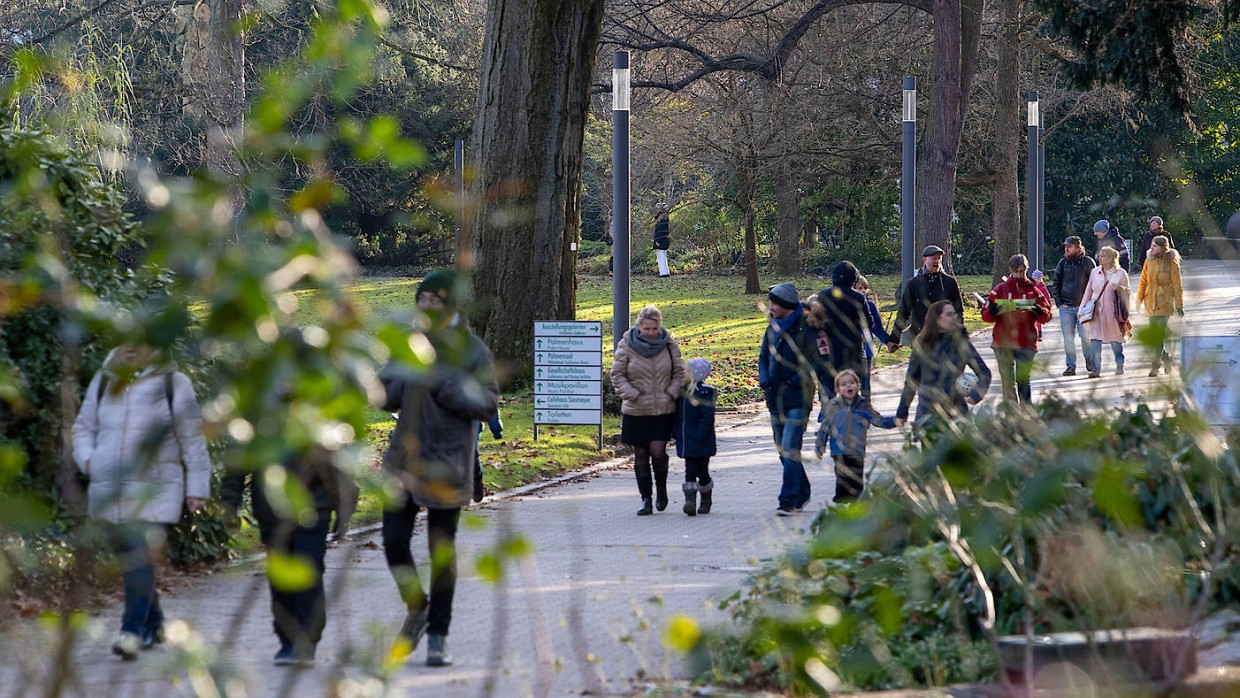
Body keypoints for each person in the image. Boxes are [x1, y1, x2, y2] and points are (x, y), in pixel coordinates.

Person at [381, 269, 500, 667]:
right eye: (422, 301)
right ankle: (417, 609)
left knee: (441, 552)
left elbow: (486, 404)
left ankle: (438, 636)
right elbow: (386, 397)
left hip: (448, 460)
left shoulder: (472, 350)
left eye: (434, 301)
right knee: (394, 541)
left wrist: (442, 384)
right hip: (405, 460)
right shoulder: (410, 344)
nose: (426, 307)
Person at [71, 343, 211, 661]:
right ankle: (155, 623)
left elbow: (191, 436)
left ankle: (130, 632)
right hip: (109, 487)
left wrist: (197, 486)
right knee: (131, 560)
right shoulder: (104, 379)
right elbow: (83, 427)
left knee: (138, 555)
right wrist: (89, 461)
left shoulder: (173, 383)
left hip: (156, 487)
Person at [221, 444, 342, 667]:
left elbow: (340, 456)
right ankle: (288, 639)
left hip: (315, 505)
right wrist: (230, 501)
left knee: (309, 571)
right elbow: (239, 458)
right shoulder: (258, 410)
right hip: (271, 508)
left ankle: (306, 639)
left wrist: (346, 502)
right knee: (280, 578)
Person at [759, 282, 830, 516]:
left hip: (798, 399)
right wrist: (765, 379)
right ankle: (802, 491)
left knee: (790, 449)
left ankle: (787, 500)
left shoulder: (809, 328)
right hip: (774, 398)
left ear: (786, 305)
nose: (770, 307)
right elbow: (763, 357)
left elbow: (821, 362)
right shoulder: (773, 328)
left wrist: (799, 378)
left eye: (774, 303)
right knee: (783, 451)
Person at [611, 304, 686, 516]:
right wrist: (630, 393)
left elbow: (679, 371)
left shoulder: (668, 344)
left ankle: (661, 490)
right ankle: (646, 499)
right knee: (641, 453)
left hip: (663, 408)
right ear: (639, 327)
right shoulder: (626, 344)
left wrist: (672, 391)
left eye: (654, 329)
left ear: (659, 327)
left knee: (658, 452)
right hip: (636, 409)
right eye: (647, 329)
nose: (651, 333)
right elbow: (617, 374)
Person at [895, 301, 992, 425]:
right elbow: (911, 380)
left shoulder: (961, 342)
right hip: (927, 412)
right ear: (936, 318)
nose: (953, 318)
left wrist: (975, 395)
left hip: (956, 411)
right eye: (949, 314)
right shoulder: (922, 344)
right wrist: (902, 412)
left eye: (954, 314)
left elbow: (984, 372)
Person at [814, 369, 897, 503]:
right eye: (844, 384)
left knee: (857, 480)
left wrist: (895, 421)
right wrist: (819, 447)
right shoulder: (833, 406)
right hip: (839, 451)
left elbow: (878, 420)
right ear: (838, 389)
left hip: (857, 450)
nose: (848, 386)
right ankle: (841, 505)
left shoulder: (863, 405)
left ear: (858, 385)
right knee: (842, 480)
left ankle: (857, 506)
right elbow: (824, 428)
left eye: (852, 383)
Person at [982, 255, 1052, 405]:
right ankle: (1011, 414)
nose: (1019, 275)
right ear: (1011, 270)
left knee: (1023, 381)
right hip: (1003, 342)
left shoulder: (1034, 290)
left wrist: (1040, 311)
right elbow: (985, 315)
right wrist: (992, 312)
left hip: (1026, 342)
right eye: (1016, 271)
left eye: (1022, 271)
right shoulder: (999, 290)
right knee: (1007, 382)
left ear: (1027, 270)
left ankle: (1027, 414)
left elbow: (1047, 315)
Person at [888, 245, 966, 353]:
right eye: (933, 258)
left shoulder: (949, 282)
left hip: (945, 338)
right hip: (920, 338)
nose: (937, 261)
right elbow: (903, 312)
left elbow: (959, 311)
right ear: (925, 259)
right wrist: (894, 338)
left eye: (939, 258)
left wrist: (961, 335)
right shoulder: (914, 284)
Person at [811, 261, 871, 401]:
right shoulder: (858, 297)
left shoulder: (823, 296)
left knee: (827, 387)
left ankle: (827, 414)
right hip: (853, 350)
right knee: (855, 385)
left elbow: (815, 324)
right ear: (854, 279)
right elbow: (868, 323)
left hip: (829, 350)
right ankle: (861, 412)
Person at [1078, 246, 1132, 378]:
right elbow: (1088, 291)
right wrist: (1082, 308)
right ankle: (1095, 369)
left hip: (1112, 312)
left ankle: (1120, 364)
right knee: (1095, 340)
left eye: (1103, 256)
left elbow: (1128, 293)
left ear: (1111, 258)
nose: (1100, 258)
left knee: (1115, 340)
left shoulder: (1120, 273)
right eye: (1099, 256)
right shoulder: (1095, 272)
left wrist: (1118, 288)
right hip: (1096, 311)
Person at [1135, 235, 1184, 376]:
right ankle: (1166, 358)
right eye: (1151, 245)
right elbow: (1143, 281)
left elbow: (1177, 284)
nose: (1152, 248)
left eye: (1155, 246)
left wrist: (1179, 305)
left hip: (1165, 302)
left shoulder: (1171, 262)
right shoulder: (1148, 260)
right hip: (1150, 302)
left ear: (1163, 247)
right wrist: (1138, 301)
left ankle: (1155, 366)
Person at [674, 358, 717, 516]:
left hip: (701, 440)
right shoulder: (682, 392)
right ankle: (690, 501)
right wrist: (675, 431)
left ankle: (706, 498)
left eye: (686, 371)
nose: (683, 374)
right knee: (689, 470)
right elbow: (677, 414)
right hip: (686, 438)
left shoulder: (705, 392)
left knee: (702, 471)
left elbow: (707, 416)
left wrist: (701, 434)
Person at [1052, 235, 1098, 376]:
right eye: (1066, 246)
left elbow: (1095, 283)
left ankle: (1090, 361)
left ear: (1078, 248)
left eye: (1070, 246)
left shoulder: (1087, 262)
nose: (1066, 249)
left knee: (1086, 338)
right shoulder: (1062, 263)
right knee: (1068, 339)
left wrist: (1089, 303)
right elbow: (1056, 283)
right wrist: (1059, 303)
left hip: (1083, 308)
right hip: (1066, 307)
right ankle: (1070, 366)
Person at [854, 275, 892, 397]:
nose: (863, 291)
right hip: (851, 350)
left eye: (865, 288)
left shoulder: (870, 306)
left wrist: (889, 341)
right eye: (860, 288)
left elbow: (877, 328)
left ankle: (866, 406)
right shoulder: (848, 305)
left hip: (866, 350)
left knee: (865, 383)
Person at [653, 203, 671, 277]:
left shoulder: (662, 220)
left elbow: (659, 231)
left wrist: (657, 240)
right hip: (664, 239)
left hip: (661, 240)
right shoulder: (666, 218)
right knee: (663, 256)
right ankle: (665, 271)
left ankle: (663, 273)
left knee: (661, 257)